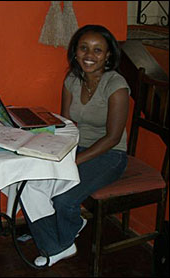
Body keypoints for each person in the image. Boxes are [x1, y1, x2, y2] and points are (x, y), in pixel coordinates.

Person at [21, 24, 130, 267]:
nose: (89, 56)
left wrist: (72, 161)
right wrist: (47, 147)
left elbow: (113, 138)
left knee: (63, 199)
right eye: (84, 48)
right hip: (77, 148)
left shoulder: (117, 85)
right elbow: (67, 124)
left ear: (108, 54)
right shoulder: (72, 79)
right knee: (29, 184)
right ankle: (62, 231)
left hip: (111, 155)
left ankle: (59, 244)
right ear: (75, 51)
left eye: (98, 50)